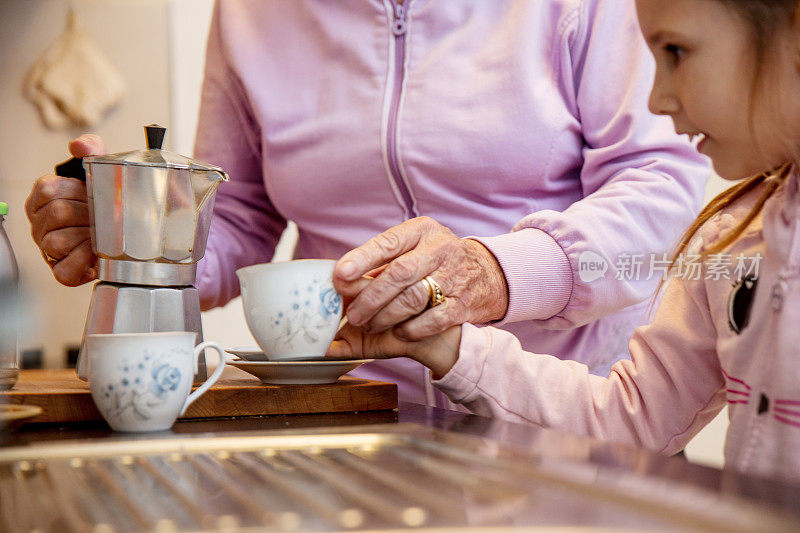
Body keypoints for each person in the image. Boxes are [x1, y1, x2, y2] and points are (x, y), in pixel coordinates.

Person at [25, 0, 709, 406]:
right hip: (353, 408)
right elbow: (236, 216)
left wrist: (498, 272)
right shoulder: (250, 14)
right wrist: (139, 236)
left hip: (569, 406)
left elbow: (663, 187)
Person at [328, 0, 800, 482]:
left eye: (676, 51)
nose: (656, 100)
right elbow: (628, 418)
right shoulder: (728, 245)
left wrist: (493, 273)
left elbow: (652, 178)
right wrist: (445, 343)